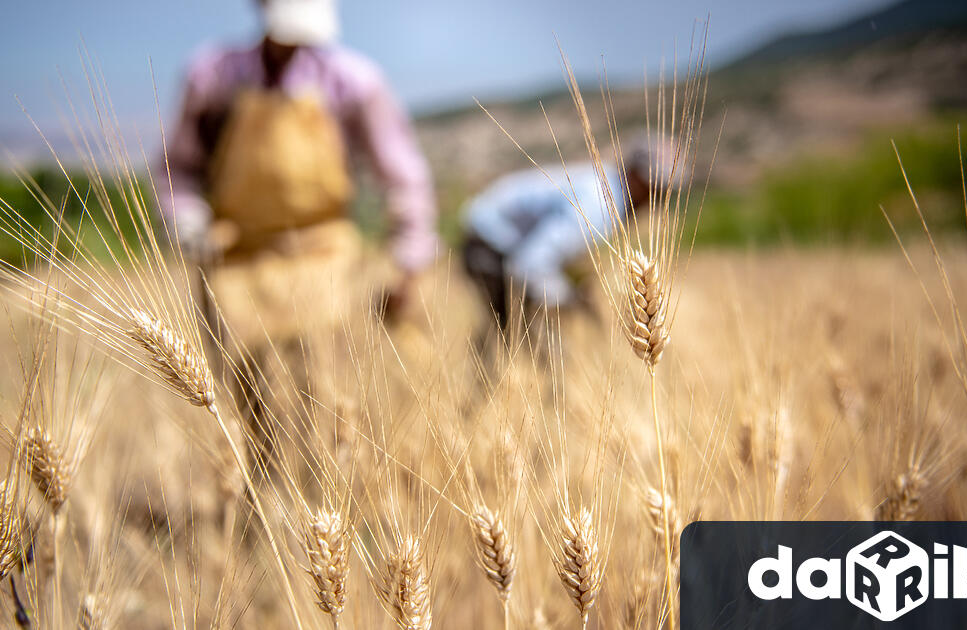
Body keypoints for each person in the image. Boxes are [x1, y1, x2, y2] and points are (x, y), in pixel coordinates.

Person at [157, 0, 437, 464]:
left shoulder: (354, 81)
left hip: (322, 257)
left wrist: (409, 259)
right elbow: (177, 168)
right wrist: (185, 216)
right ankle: (258, 513)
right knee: (247, 408)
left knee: (324, 403)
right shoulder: (212, 76)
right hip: (235, 262)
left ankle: (323, 504)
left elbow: (403, 174)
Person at [460, 137, 675, 343]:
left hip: (493, 234)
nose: (659, 198)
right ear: (635, 176)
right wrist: (567, 299)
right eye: (656, 187)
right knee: (536, 346)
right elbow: (529, 264)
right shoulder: (598, 207)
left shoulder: (607, 186)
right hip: (489, 242)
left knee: (514, 336)